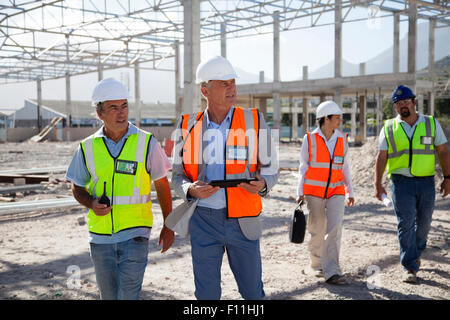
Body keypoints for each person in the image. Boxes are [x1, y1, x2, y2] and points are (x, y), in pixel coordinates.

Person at [171, 56, 279, 300]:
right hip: (203, 220)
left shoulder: (254, 119)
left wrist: (263, 185)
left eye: (232, 82)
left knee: (253, 292)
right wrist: (190, 189)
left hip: (243, 219)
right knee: (207, 295)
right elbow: (176, 176)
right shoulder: (187, 124)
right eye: (224, 83)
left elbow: (271, 168)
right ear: (205, 90)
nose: (231, 88)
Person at [65, 77, 174, 299]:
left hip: (136, 235)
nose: (121, 113)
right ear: (100, 113)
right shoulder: (87, 148)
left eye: (124, 106)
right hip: (100, 237)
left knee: (128, 295)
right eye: (114, 108)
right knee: (109, 296)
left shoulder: (146, 142)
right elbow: (77, 187)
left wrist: (169, 225)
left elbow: (162, 184)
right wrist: (91, 203)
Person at [374, 85, 449, 284]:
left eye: (406, 102)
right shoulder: (389, 127)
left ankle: (416, 252)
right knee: (406, 222)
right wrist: (377, 184)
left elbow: (442, 151)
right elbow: (381, 157)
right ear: (395, 108)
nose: (402, 106)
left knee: (424, 224)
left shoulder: (431, 124)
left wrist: (448, 178)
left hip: (426, 182)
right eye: (398, 104)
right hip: (400, 182)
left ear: (414, 102)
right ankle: (410, 265)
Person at [296, 100, 355, 285]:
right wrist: (300, 191)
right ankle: (317, 265)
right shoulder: (309, 139)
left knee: (335, 228)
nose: (340, 121)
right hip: (314, 191)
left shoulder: (341, 139)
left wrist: (349, 190)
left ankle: (333, 271)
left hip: (336, 190)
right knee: (317, 228)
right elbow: (303, 167)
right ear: (325, 119)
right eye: (337, 117)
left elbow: (344, 167)